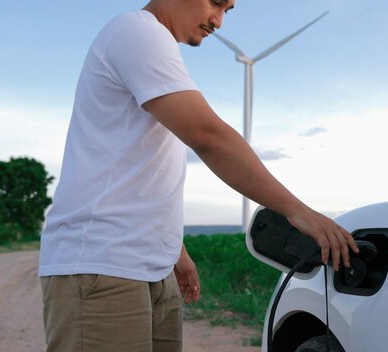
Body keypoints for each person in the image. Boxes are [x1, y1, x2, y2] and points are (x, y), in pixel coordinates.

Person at [38, 0, 359, 351]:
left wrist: (174, 247)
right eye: (216, 3)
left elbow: (137, 168)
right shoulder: (138, 32)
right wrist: (298, 212)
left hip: (146, 268)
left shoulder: (150, 43)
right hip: (104, 266)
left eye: (228, 10)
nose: (219, 21)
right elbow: (208, 137)